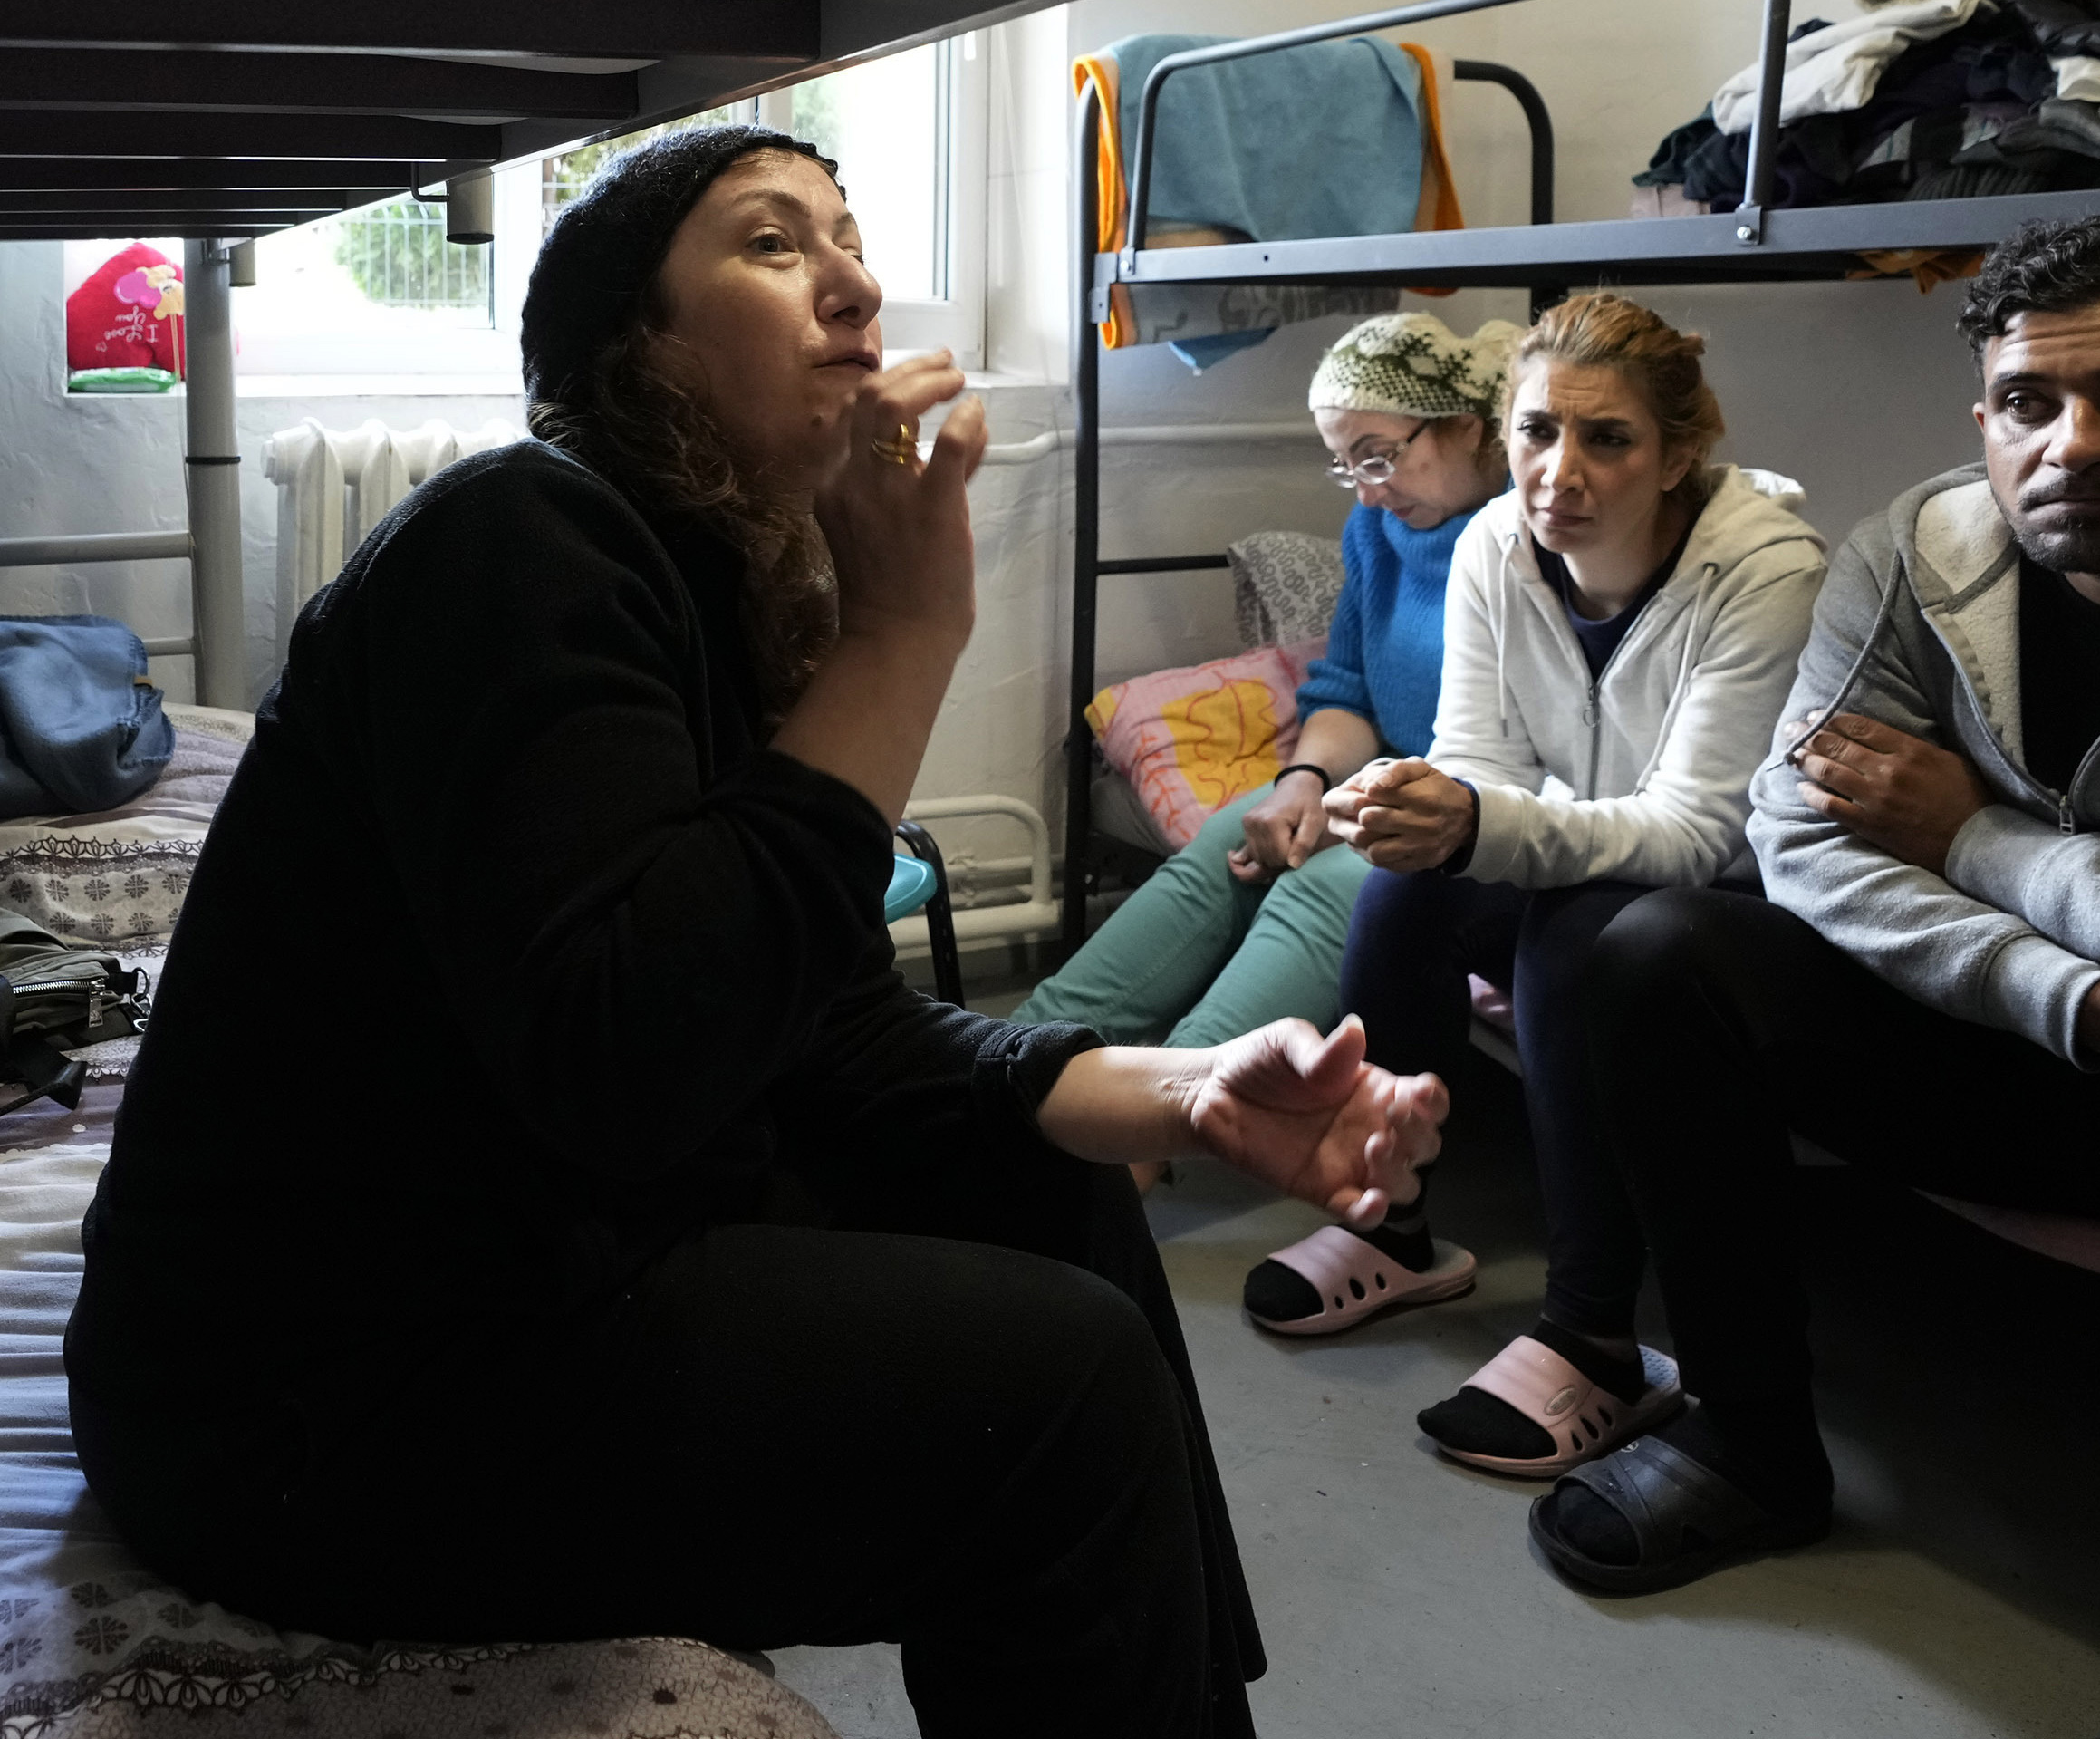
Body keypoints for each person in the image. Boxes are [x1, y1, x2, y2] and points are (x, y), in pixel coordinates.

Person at [62, 127, 1446, 1738]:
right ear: (633, 346)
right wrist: (911, 628)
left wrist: (1185, 1087)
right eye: (773, 243)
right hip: (307, 1392)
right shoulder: (517, 540)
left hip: (507, 1248)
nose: (855, 278)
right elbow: (635, 1057)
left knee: (1045, 1192)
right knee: (1056, 1388)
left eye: (849, 237)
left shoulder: (705, 582)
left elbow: (827, 1022)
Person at [1549, 211, 2100, 1739]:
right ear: (1984, 418)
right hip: (2039, 1031)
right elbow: (1798, 831)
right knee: (1649, 951)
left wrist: (1977, 837)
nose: (2072, 443)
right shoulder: (1920, 544)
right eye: (2029, 403)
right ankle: (1749, 1440)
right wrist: (2085, 1000)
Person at [1246, 294, 1829, 1483]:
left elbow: (1696, 828)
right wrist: (1422, 810)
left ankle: (1593, 1332)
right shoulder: (1489, 547)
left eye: (1603, 438)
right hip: (1588, 856)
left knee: (1571, 935)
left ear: (1676, 453)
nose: (1555, 471)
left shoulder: (1763, 569)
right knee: (1402, 891)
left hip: (1727, 903)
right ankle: (1387, 1219)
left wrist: (1472, 820)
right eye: (1531, 431)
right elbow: (1477, 764)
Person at [1016, 313, 1517, 1058]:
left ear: (1468, 426)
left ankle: (1167, 1107)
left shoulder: (1525, 535)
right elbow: (1347, 688)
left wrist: (1374, 800)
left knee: (1322, 885)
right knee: (1231, 846)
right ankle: (1009, 1061)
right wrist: (1303, 779)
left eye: (1377, 457)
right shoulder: (1375, 530)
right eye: (1346, 465)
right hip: (1386, 776)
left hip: (1481, 799)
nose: (1367, 493)